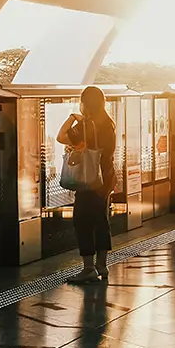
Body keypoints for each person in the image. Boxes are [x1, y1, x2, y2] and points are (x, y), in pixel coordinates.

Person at [57, 87, 118, 284]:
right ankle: (102, 265)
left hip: (88, 179)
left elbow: (61, 136)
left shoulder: (85, 126)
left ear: (85, 103)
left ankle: (88, 268)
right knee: (101, 221)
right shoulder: (108, 123)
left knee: (82, 222)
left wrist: (72, 117)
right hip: (105, 178)